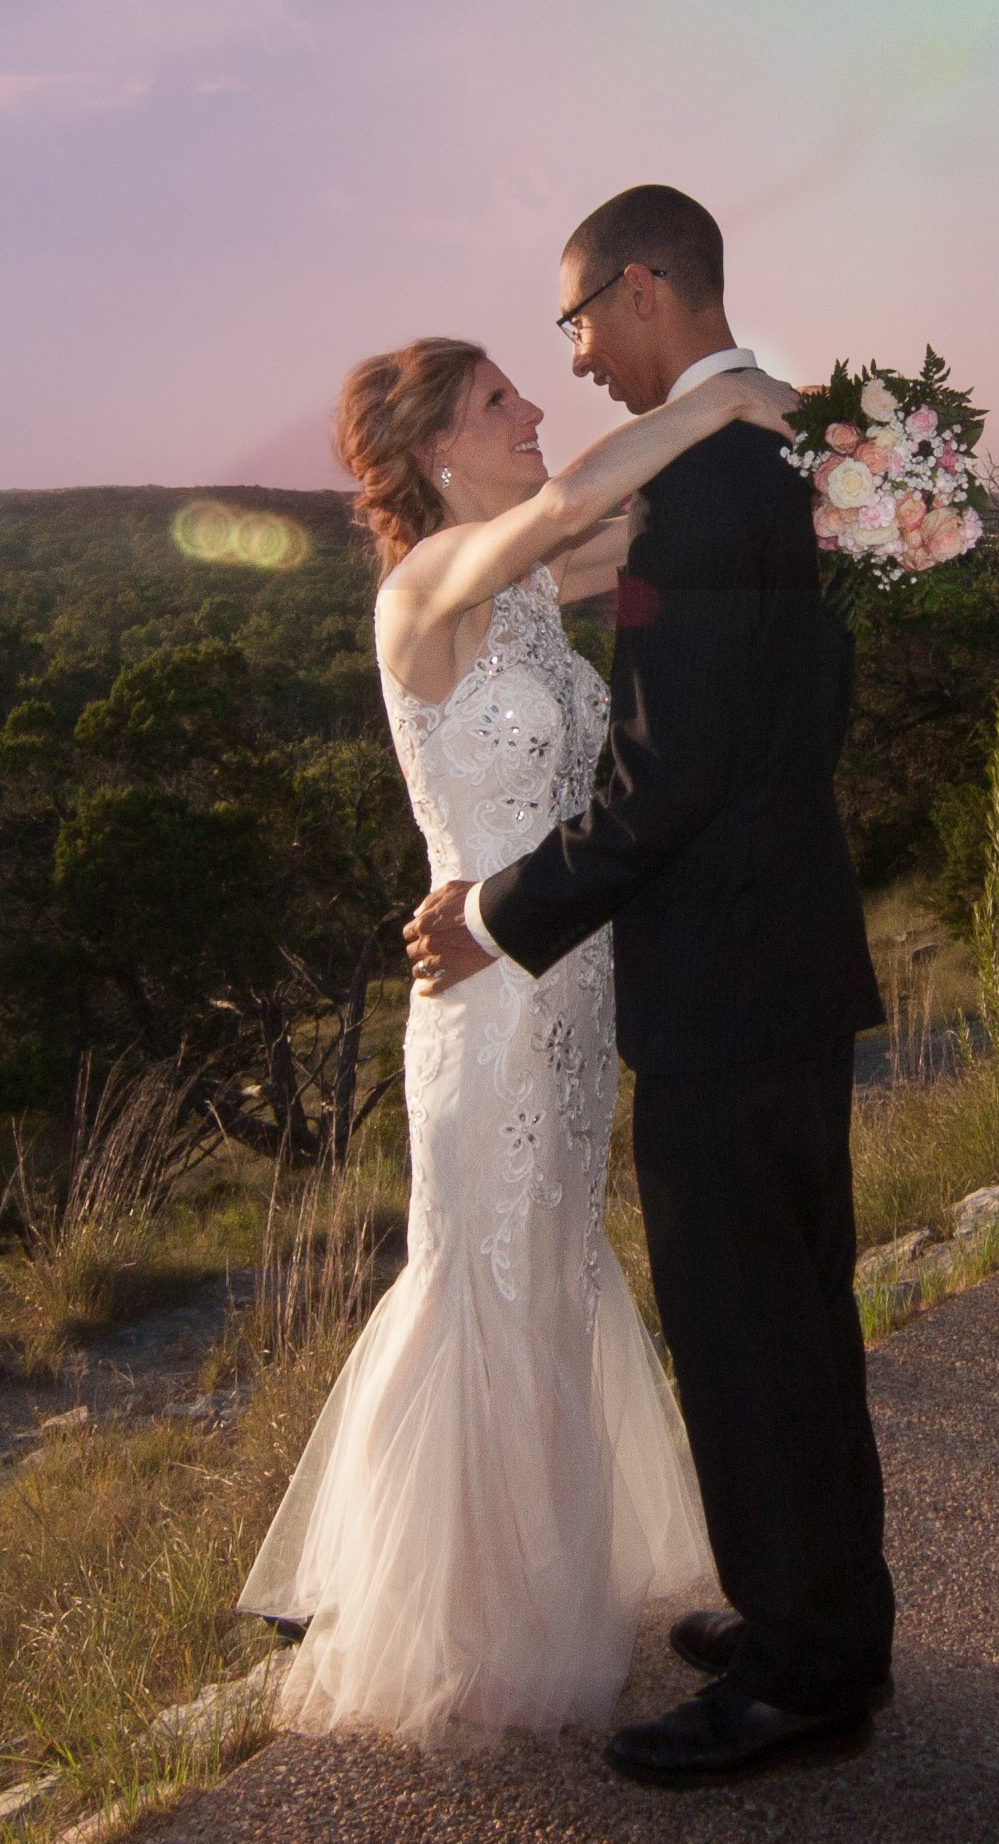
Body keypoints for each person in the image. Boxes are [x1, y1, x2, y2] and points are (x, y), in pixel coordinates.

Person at [239, 328, 798, 1743]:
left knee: (545, 1260)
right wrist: (722, 392)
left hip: (566, 989)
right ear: (438, 448)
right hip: (483, 1011)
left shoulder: (537, 592)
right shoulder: (426, 586)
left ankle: (530, 1581)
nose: (536, 411)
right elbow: (573, 505)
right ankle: (453, 1618)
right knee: (479, 1266)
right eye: (503, 401)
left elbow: (655, 527)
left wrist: (850, 460)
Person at [405, 184, 896, 1788]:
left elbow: (664, 782)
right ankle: (815, 1615)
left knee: (751, 1329)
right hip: (779, 953)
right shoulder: (757, 470)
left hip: (726, 982)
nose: (569, 368)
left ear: (633, 295)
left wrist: (503, 914)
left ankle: (804, 1668)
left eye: (573, 326)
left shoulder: (708, 487)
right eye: (515, 375)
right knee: (793, 1318)